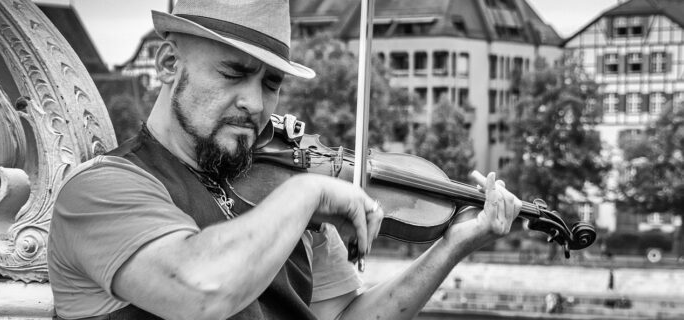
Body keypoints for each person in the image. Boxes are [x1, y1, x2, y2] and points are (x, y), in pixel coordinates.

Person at [47, 0, 522, 319]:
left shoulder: (283, 189)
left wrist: (453, 245)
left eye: (271, 84)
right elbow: (199, 289)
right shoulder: (102, 190)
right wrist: (305, 194)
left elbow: (343, 316)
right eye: (234, 73)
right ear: (169, 65)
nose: (255, 104)